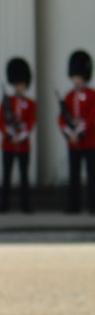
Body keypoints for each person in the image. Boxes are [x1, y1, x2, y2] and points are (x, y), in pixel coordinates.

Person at [0, 57, 36, 213]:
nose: (19, 86)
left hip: (23, 144)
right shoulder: (7, 101)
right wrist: (10, 133)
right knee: (6, 176)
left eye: (22, 83)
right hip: (8, 143)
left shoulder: (30, 103)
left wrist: (21, 135)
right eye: (17, 83)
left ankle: (25, 206)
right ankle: (4, 205)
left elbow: (31, 122)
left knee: (24, 176)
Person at [58, 49, 95, 213]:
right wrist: (69, 133)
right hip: (73, 142)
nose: (77, 79)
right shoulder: (68, 96)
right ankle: (74, 206)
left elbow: (92, 117)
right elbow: (61, 118)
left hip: (89, 140)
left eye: (79, 75)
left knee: (92, 175)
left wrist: (79, 132)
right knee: (74, 176)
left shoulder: (92, 95)